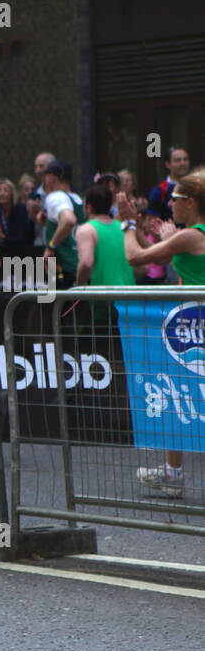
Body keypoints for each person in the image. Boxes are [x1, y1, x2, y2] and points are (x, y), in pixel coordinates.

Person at [118, 176, 205, 498]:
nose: (170, 204)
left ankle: (173, 474)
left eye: (176, 199)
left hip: (195, 327)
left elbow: (136, 258)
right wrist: (166, 237)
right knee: (181, 393)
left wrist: (127, 221)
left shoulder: (190, 237)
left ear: (190, 203)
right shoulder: (189, 237)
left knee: (185, 393)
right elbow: (159, 251)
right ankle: (172, 473)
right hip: (191, 327)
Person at [39, 159, 84, 290]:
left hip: (64, 270)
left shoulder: (55, 197)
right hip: (82, 270)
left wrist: (51, 246)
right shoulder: (78, 200)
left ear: (52, 178)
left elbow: (69, 220)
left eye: (46, 176)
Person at [0, 178, 34, 261]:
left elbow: (23, 238)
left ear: (12, 194)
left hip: (22, 257)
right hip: (2, 256)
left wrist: (2, 237)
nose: (2, 194)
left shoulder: (21, 210)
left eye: (6, 190)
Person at [147, 147, 191, 220]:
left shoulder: (196, 187)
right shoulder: (159, 191)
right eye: (178, 160)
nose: (182, 163)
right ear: (168, 164)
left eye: (185, 159)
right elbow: (152, 222)